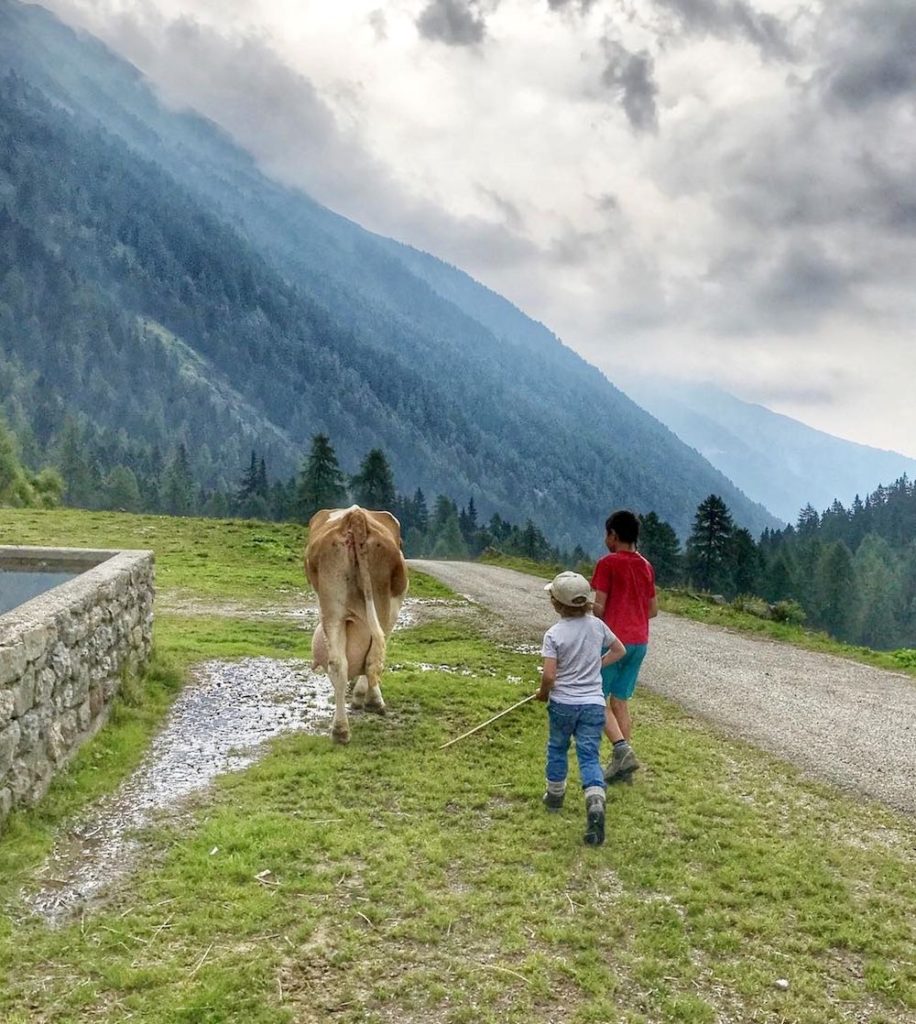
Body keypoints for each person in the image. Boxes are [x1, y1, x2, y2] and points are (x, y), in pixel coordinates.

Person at [535, 571, 626, 846]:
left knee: (557, 747)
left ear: (556, 603)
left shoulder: (554, 634)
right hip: (592, 705)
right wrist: (597, 664)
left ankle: (554, 796)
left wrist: (542, 693)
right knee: (589, 755)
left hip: (563, 704)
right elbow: (619, 650)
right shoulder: (597, 626)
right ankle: (595, 802)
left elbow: (550, 676)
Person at [591, 510, 658, 784]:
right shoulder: (646, 566)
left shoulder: (607, 564)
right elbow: (653, 610)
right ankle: (623, 766)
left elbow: (599, 609)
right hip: (639, 642)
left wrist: (581, 603)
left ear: (614, 535)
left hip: (613, 643)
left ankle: (622, 752)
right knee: (620, 700)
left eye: (607, 534)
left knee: (596, 698)